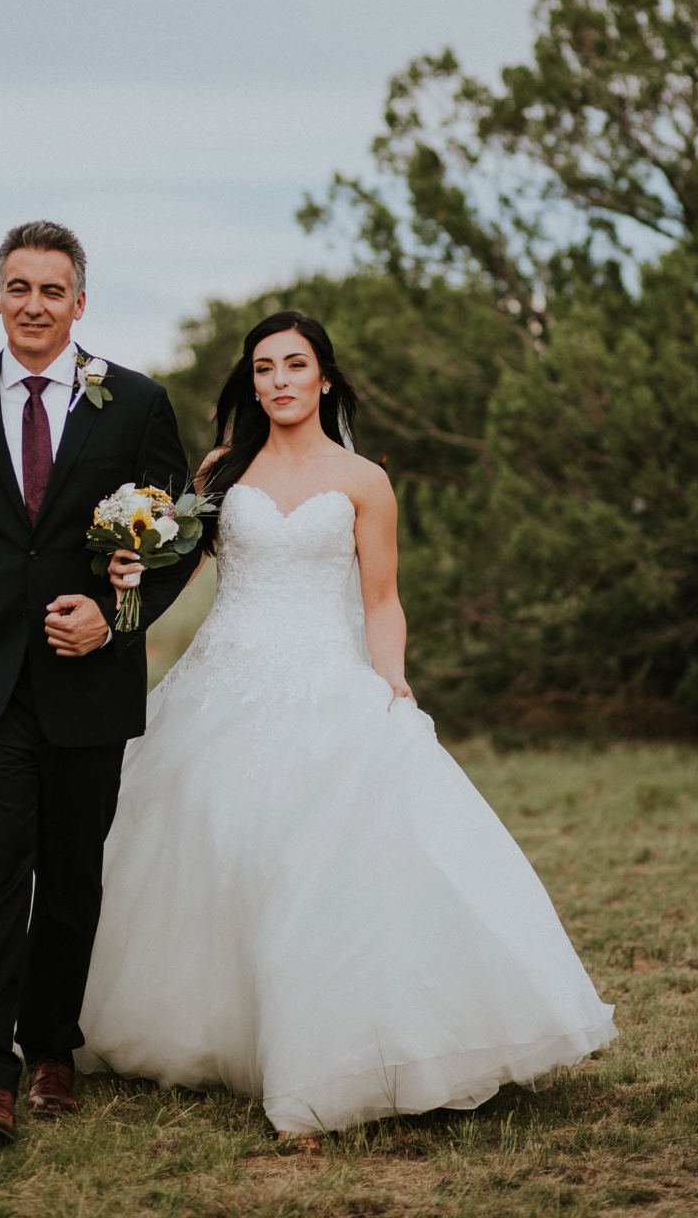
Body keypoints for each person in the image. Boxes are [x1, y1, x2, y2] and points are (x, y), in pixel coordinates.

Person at [72, 310, 617, 1138]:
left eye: (295, 365)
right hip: (223, 680)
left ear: (324, 377)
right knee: (211, 850)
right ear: (251, 382)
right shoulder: (221, 470)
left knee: (319, 863)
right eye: (263, 368)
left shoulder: (365, 480)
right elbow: (171, 562)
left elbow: (382, 599)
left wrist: (390, 676)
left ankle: (344, 1045)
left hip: (327, 675)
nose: (279, 381)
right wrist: (130, 563)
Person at [0, 220, 200, 1149]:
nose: (34, 305)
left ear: (80, 304)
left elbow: (176, 541)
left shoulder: (134, 404)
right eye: (18, 287)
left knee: (68, 877)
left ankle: (53, 1046)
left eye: (53, 291)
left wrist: (114, 614)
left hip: (86, 681)